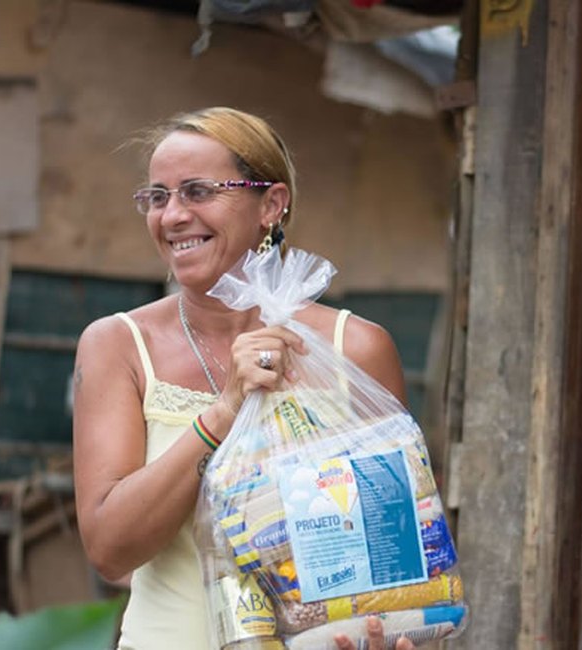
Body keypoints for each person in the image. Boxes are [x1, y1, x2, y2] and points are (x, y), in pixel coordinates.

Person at [73, 107, 410, 649]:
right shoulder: (118, 346)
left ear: (271, 204)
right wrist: (223, 413)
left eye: (198, 191)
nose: (172, 215)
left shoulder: (355, 349)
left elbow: (401, 542)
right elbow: (110, 549)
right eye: (157, 197)